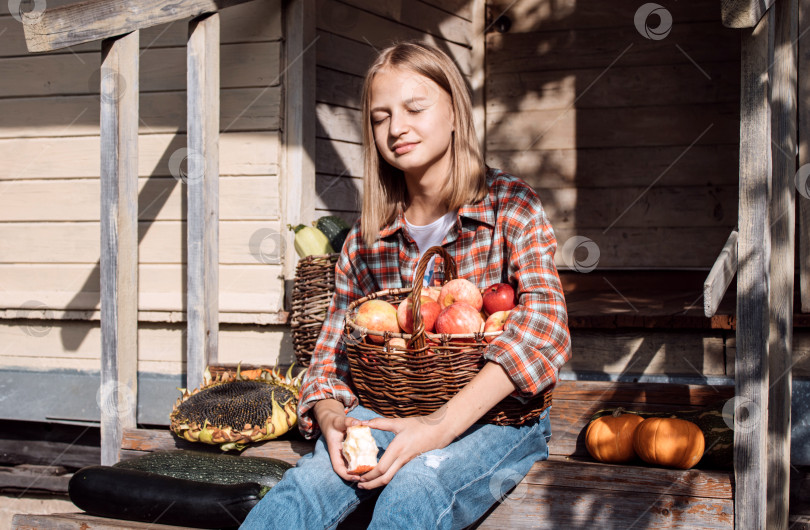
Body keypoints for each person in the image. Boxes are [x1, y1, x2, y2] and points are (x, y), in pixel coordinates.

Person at [241, 41, 571, 530]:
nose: (396, 128)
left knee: (417, 484)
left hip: (501, 418)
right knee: (310, 484)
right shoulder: (366, 240)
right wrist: (331, 418)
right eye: (380, 118)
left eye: (415, 108)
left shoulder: (510, 206)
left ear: (456, 113)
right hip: (391, 409)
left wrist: (437, 427)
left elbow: (544, 326)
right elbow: (329, 357)